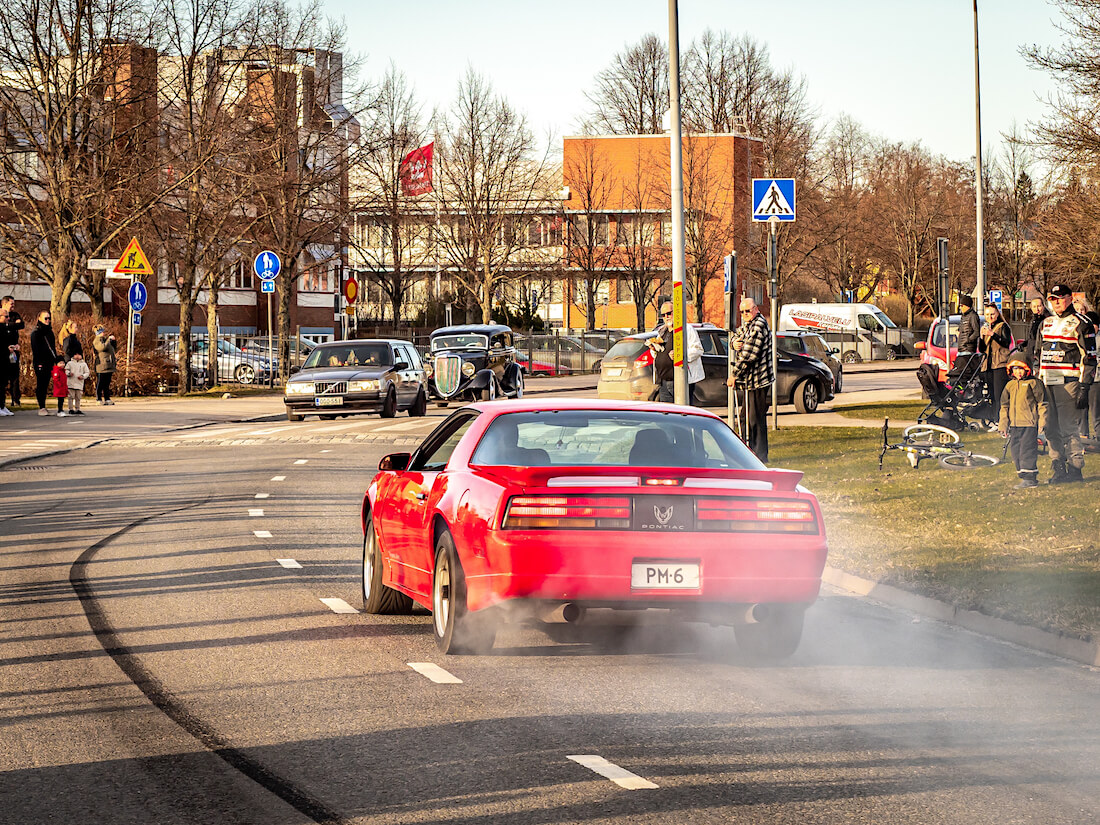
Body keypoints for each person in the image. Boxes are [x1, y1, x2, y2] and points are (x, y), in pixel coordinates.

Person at [1038, 284, 1095, 483]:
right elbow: (1037, 354)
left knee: (1068, 428)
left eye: (1060, 298)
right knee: (1049, 427)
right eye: (1052, 299)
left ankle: (1075, 468)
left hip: (1068, 383)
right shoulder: (1045, 323)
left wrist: (1084, 387)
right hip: (1046, 383)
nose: (1056, 302)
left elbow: (1090, 358)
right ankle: (1058, 467)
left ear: (1070, 298)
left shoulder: (1081, 323)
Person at [726, 297, 774, 462]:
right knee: (747, 417)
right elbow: (736, 335)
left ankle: (759, 456)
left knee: (755, 419)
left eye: (748, 310)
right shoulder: (748, 325)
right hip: (750, 382)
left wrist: (734, 375)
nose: (745, 314)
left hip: (758, 380)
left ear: (756, 309)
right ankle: (750, 453)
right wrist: (734, 343)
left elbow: (748, 356)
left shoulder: (758, 326)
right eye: (742, 312)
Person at [999, 358, 1049, 489]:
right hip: (1014, 425)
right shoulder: (1009, 385)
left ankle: (1030, 478)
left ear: (1027, 369)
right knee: (1016, 451)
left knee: (1027, 450)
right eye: (1015, 369)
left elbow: (1042, 404)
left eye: (1021, 369)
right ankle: (1023, 476)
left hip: (1029, 423)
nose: (1018, 372)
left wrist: (1042, 423)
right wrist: (1003, 424)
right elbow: (1004, 406)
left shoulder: (1034, 383)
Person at [648, 301, 704, 404]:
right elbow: (660, 352)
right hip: (663, 381)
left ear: (676, 313)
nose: (666, 317)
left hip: (680, 380)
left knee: (682, 412)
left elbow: (698, 350)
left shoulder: (687, 329)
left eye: (669, 313)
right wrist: (654, 349)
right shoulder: (662, 331)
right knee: (667, 415)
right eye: (663, 315)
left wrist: (681, 355)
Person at [979, 303, 1013, 421]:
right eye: (987, 314)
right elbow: (982, 349)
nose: (990, 317)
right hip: (988, 366)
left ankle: (1001, 420)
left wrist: (992, 335)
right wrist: (981, 337)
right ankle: (994, 419)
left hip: (1000, 365)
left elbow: (1006, 343)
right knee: (991, 395)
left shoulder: (1002, 326)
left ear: (998, 313)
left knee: (1000, 395)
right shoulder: (986, 327)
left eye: (992, 314)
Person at [30, 310, 57, 415]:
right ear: (40, 319)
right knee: (41, 384)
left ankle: (44, 406)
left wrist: (56, 360)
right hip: (40, 362)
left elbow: (53, 348)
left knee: (45, 384)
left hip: (49, 362)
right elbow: (36, 350)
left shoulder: (50, 332)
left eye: (49, 318)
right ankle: (41, 406)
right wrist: (39, 363)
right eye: (46, 318)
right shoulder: (36, 333)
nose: (48, 320)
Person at [1082, 309, 1100, 446]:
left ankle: (1098, 435)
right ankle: (1083, 435)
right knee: (1082, 409)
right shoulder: (1084, 337)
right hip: (1083, 377)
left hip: (1096, 378)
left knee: (1095, 410)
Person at [1, 297, 22, 409]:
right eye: (11, 303)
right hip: (4, 353)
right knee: (3, 378)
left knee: (14, 376)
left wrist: (10, 324)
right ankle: (2, 404)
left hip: (13, 352)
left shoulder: (15, 315)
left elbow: (21, 324)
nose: (13, 306)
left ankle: (15, 399)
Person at [92, 325, 117, 405]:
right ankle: (98, 398)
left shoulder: (105, 339)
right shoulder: (97, 340)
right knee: (101, 382)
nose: (103, 333)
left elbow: (112, 348)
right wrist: (108, 341)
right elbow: (102, 348)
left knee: (107, 383)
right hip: (101, 365)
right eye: (101, 331)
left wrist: (113, 341)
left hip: (108, 364)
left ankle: (107, 398)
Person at [1024, 296, 1050, 372]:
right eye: (1034, 307)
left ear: (1043, 306)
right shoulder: (1033, 319)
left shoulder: (1047, 319)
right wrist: (1025, 343)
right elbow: (1032, 337)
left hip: (1040, 353)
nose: (1037, 309)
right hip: (1031, 353)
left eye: (1039, 306)